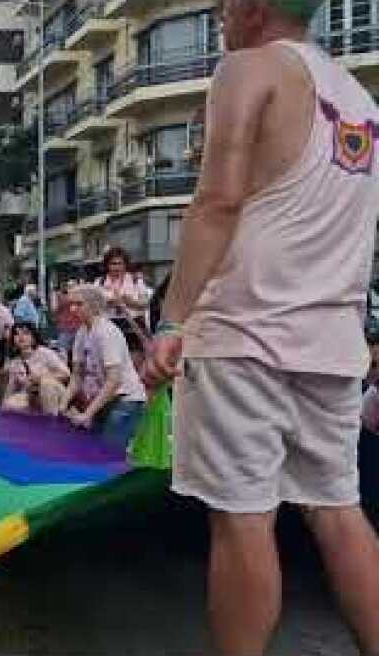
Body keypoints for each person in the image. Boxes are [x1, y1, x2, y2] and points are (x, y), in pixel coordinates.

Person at [145, 3, 379, 654]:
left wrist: (172, 321)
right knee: (338, 511)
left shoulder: (247, 69)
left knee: (244, 520)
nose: (220, 15)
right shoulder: (360, 100)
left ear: (254, 5)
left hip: (245, 335)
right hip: (332, 341)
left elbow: (218, 199)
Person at [60, 285, 145, 447]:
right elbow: (77, 375)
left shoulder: (106, 332)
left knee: (108, 452)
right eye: (71, 304)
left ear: (93, 305)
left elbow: (114, 381)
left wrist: (88, 413)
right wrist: (63, 403)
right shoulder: (82, 333)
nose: (73, 309)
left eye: (79, 304)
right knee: (95, 449)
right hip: (105, 399)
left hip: (126, 398)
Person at [3, 323, 70, 416]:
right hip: (31, 396)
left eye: (25, 333)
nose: (21, 336)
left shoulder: (45, 353)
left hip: (53, 392)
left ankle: (52, 421)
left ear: (33, 338)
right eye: (16, 334)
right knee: (10, 404)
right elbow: (11, 389)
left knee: (46, 384)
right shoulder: (15, 363)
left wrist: (41, 378)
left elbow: (66, 374)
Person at [95, 247, 151, 352]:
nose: (116, 267)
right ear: (107, 265)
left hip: (133, 325)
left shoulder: (135, 280)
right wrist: (107, 303)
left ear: (126, 265)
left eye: (120, 263)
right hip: (109, 325)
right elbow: (93, 306)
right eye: (113, 263)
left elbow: (146, 303)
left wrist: (131, 302)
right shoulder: (99, 282)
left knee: (135, 359)